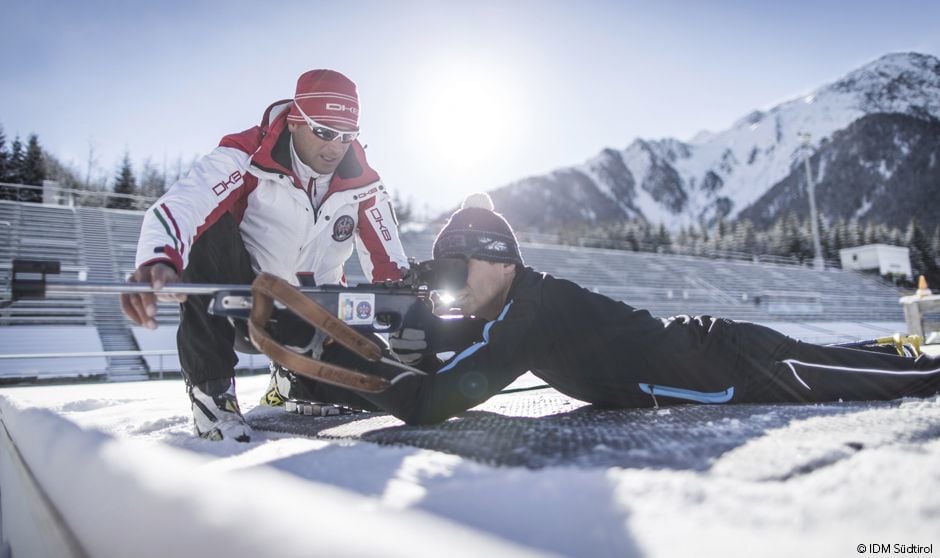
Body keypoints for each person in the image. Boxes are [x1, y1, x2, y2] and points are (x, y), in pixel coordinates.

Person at [350, 193, 940, 425]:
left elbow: (429, 401)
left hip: (731, 367)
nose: (451, 288)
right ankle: (891, 349)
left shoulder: (527, 313)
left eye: (459, 271)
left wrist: (344, 358)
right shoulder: (515, 303)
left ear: (503, 262)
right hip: (717, 354)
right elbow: (445, 341)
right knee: (847, 364)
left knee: (896, 383)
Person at [121, 69, 408, 442]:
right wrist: (157, 259)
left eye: (347, 135)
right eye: (323, 131)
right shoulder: (246, 154)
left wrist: (409, 315)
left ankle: (295, 382)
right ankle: (212, 394)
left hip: (317, 316)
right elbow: (185, 203)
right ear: (295, 121)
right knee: (210, 226)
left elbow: (391, 265)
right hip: (243, 305)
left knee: (382, 390)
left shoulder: (363, 183)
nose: (335, 147)